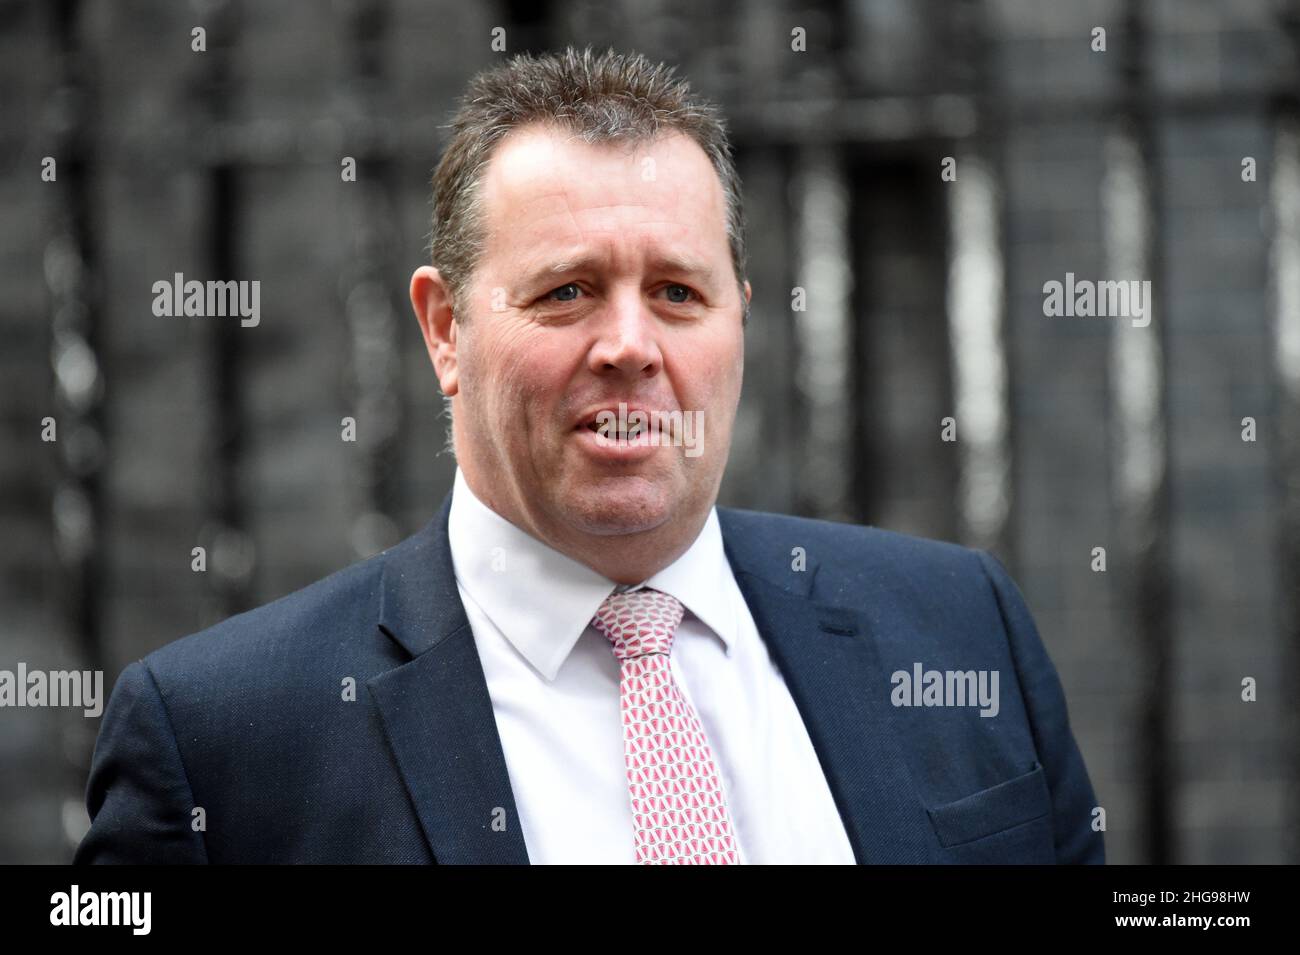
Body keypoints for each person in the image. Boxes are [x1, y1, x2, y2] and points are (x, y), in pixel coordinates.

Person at [76, 46, 1103, 865]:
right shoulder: (224, 742)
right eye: (566, 290)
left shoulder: (961, 627)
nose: (629, 346)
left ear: (737, 322)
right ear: (443, 331)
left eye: (677, 293)